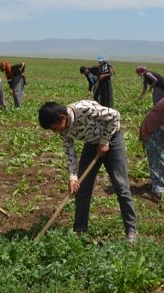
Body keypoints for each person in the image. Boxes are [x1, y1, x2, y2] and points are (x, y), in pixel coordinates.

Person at [38, 100, 137, 241]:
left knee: (121, 186)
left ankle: (131, 230)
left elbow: (115, 115)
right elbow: (70, 152)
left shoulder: (84, 110)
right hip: (91, 145)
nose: (55, 131)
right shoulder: (63, 130)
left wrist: (104, 141)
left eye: (55, 127)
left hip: (113, 140)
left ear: (62, 117)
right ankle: (80, 230)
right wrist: (73, 177)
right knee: (82, 188)